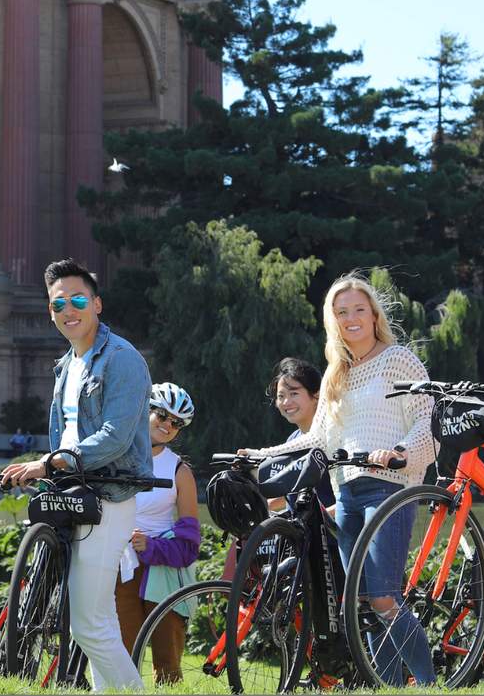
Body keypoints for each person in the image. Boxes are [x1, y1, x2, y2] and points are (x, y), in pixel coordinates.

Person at [241, 272, 436, 686]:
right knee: (363, 602)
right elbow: (317, 439)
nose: (351, 318)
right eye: (342, 312)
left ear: (374, 315)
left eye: (359, 310)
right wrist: (262, 455)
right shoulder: (336, 372)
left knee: (383, 598)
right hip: (346, 492)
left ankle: (431, 684)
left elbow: (426, 418)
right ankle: (390, 688)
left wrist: (400, 452)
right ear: (333, 320)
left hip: (389, 487)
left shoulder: (398, 360)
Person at [0, 258, 151, 692]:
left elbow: (114, 438)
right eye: (58, 304)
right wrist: (44, 468)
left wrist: (50, 463)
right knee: (97, 621)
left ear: (97, 304)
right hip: (73, 496)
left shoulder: (122, 359)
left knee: (87, 625)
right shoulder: (67, 364)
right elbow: (68, 434)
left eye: (78, 300)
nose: (69, 310)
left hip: (108, 497)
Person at [115, 382, 200, 684]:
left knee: (167, 659)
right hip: (118, 564)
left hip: (161, 570)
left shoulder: (179, 471)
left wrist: (151, 546)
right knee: (120, 652)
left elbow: (190, 543)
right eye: (162, 415)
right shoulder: (116, 454)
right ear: (146, 411)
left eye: (176, 423)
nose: (167, 425)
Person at [264, 357, 335, 512]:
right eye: (281, 396)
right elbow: (291, 489)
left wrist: (321, 518)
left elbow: (349, 499)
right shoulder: (293, 439)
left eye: (294, 393)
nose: (286, 402)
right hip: (300, 526)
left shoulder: (333, 436)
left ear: (317, 395)